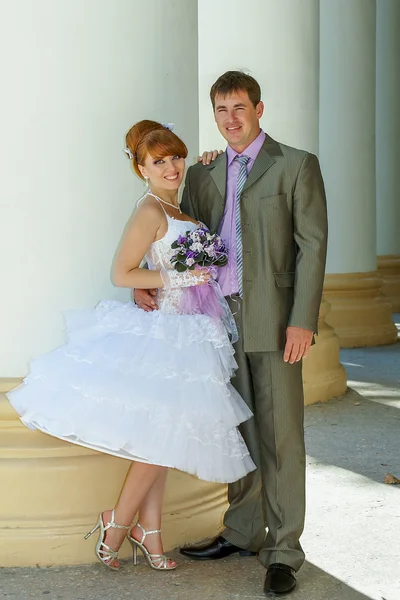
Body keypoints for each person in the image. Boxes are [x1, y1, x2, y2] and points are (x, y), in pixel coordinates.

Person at [6, 119, 256, 573]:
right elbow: (123, 273)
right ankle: (118, 523)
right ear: (141, 168)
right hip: (165, 336)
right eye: (159, 161)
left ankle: (150, 532)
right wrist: (175, 277)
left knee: (163, 440)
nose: (172, 167)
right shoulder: (149, 210)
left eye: (176, 156)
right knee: (160, 437)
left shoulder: (178, 209)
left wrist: (212, 162)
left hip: (193, 333)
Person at [134, 72, 328, 596]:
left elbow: (312, 246)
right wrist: (144, 283)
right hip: (216, 321)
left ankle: (284, 548)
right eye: (221, 109)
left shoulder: (296, 166)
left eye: (239, 108)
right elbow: (182, 237)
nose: (231, 119)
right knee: (236, 431)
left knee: (280, 435)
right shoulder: (203, 173)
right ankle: (243, 530)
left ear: (259, 109)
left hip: (275, 318)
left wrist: (303, 320)